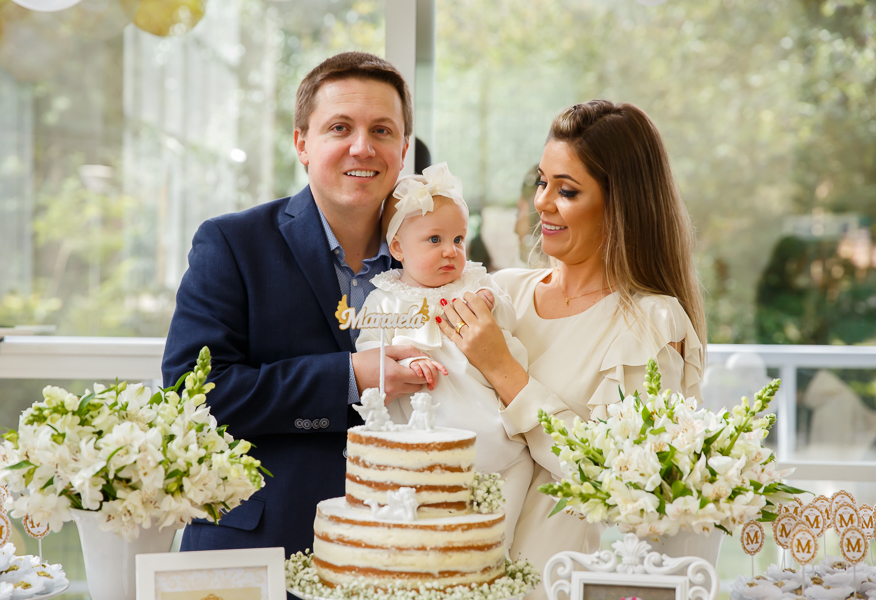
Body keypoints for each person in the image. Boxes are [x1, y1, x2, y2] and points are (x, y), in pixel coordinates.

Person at [161, 52, 430, 557]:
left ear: (403, 148)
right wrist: (349, 377)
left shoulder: (437, 262)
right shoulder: (232, 243)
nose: (362, 147)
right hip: (259, 545)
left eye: (382, 131)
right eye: (339, 127)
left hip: (400, 547)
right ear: (302, 144)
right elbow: (192, 393)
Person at [436, 100, 706, 599]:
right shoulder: (504, 292)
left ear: (620, 203)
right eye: (542, 182)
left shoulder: (650, 323)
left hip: (562, 586)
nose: (542, 202)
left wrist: (504, 369)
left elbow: (629, 486)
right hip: (461, 577)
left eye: (568, 190)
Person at [355, 162, 533, 548]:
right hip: (430, 419)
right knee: (434, 525)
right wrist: (404, 360)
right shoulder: (385, 298)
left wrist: (491, 303)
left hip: (490, 417)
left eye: (458, 239)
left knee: (501, 515)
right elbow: (370, 348)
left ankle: (494, 555)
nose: (450, 251)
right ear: (398, 247)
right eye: (434, 240)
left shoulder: (475, 282)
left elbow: (510, 320)